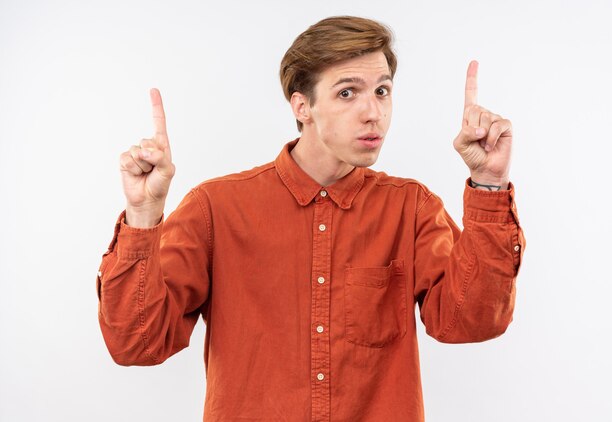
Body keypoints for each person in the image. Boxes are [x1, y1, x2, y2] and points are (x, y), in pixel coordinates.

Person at [97, 15, 525, 422]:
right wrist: (142, 215)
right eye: (347, 92)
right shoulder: (216, 209)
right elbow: (137, 343)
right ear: (302, 105)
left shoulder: (410, 208)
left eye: (382, 90)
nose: (373, 112)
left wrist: (488, 183)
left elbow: (470, 321)